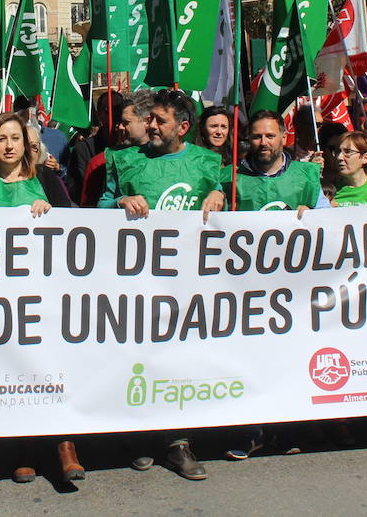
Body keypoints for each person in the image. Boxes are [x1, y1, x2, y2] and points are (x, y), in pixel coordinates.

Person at [99, 89, 224, 481]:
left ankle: (178, 441)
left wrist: (221, 194)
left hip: (190, 284)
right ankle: (138, 434)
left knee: (181, 359)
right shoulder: (123, 160)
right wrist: (119, 203)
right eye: (149, 118)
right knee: (139, 357)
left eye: (159, 121)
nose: (149, 125)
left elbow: (231, 224)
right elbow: (99, 207)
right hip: (137, 281)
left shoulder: (210, 162)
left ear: (183, 127)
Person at [0, 114, 80, 482]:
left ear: (27, 145)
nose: (9, 145)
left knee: (53, 367)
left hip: (46, 294)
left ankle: (65, 445)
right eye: (1, 139)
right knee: (13, 372)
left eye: (16, 138)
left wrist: (52, 213)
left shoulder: (46, 179)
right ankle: (23, 448)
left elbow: (76, 226)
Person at [230, 110, 326, 212]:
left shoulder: (307, 176)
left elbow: (327, 217)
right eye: (257, 137)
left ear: (283, 138)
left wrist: (313, 214)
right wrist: (217, 193)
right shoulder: (232, 176)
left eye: (270, 136)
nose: (263, 142)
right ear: (249, 139)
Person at [79, 90, 152, 207]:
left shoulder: (168, 157)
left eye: (126, 122)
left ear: (147, 122)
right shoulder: (101, 162)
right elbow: (89, 209)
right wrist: (120, 202)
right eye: (120, 122)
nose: (119, 127)